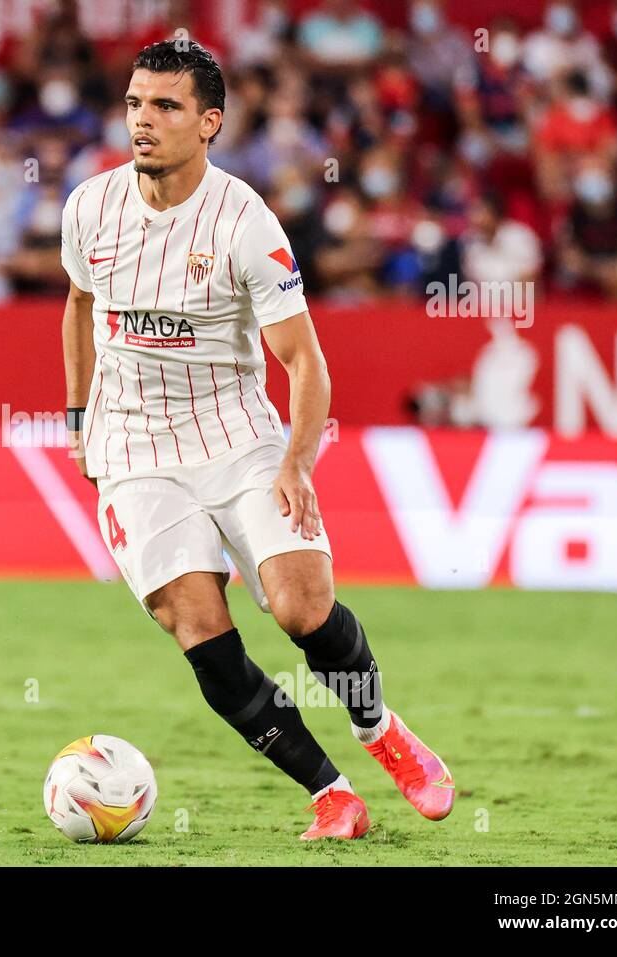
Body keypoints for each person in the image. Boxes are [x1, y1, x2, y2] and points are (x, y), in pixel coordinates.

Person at [60, 40, 454, 841]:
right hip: (133, 448)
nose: (144, 120)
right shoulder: (88, 207)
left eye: (166, 106)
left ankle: (383, 733)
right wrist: (76, 417)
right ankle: (331, 793)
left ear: (209, 122)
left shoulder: (245, 221)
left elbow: (305, 359)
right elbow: (77, 305)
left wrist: (297, 461)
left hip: (236, 433)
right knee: (199, 626)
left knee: (301, 606)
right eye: (136, 102)